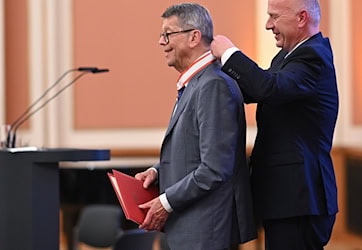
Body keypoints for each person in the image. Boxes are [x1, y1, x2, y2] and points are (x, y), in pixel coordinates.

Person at [211, 0, 339, 249]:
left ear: (301, 18)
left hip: (301, 198)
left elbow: (268, 88)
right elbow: (255, 89)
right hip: (285, 196)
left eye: (274, 17)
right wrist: (209, 71)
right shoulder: (287, 56)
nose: (268, 25)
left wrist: (229, 53)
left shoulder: (313, 56)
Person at [135, 3, 257, 250]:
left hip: (205, 228)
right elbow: (193, 150)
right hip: (192, 226)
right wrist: (159, 172)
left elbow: (214, 168)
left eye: (168, 34)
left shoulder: (213, 85)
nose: (161, 42)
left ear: (194, 37)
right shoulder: (196, 84)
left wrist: (166, 202)